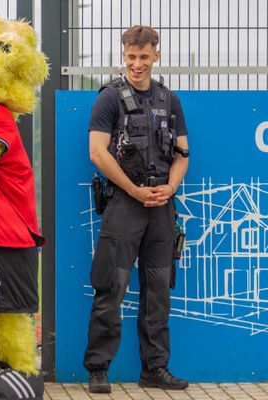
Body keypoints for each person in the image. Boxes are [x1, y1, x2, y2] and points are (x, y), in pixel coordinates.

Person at [84, 25, 190, 394]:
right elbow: (97, 153)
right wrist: (134, 190)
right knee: (111, 288)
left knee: (159, 292)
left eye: (144, 57)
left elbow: (182, 154)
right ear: (124, 55)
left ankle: (155, 369)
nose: (137, 64)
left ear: (156, 56)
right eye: (131, 57)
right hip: (124, 205)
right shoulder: (109, 98)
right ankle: (98, 370)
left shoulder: (169, 100)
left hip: (162, 209)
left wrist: (170, 188)